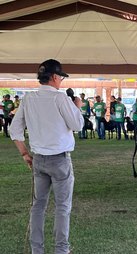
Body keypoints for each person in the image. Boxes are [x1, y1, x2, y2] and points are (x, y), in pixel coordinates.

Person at [9, 59, 84, 253]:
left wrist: (25, 153)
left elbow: (14, 130)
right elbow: (77, 126)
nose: (61, 80)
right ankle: (61, 249)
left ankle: (37, 250)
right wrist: (77, 107)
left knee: (38, 206)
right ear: (54, 77)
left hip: (38, 159)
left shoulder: (28, 98)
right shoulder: (60, 99)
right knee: (62, 207)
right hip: (59, 160)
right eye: (60, 77)